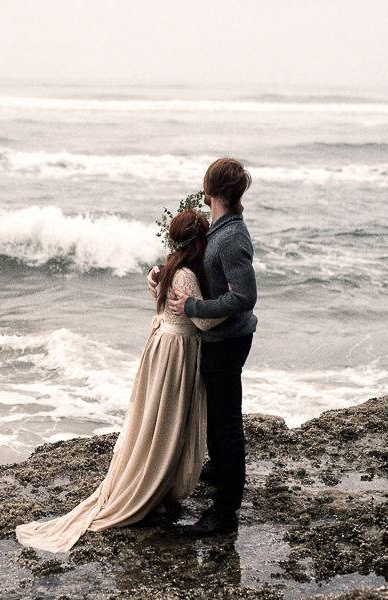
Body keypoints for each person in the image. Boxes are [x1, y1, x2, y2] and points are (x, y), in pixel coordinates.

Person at [15, 210, 225, 553]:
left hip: (163, 344)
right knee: (168, 423)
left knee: (156, 418)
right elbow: (201, 322)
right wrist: (231, 308)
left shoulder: (166, 267)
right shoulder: (184, 275)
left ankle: (159, 485)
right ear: (199, 243)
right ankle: (155, 485)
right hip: (177, 350)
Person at [147, 157, 258, 537]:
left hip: (229, 341)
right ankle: (219, 469)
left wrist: (193, 307)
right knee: (215, 414)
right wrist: (164, 274)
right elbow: (200, 269)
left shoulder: (231, 238)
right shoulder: (218, 228)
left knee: (225, 424)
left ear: (209, 189)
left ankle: (225, 513)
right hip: (216, 338)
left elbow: (245, 297)